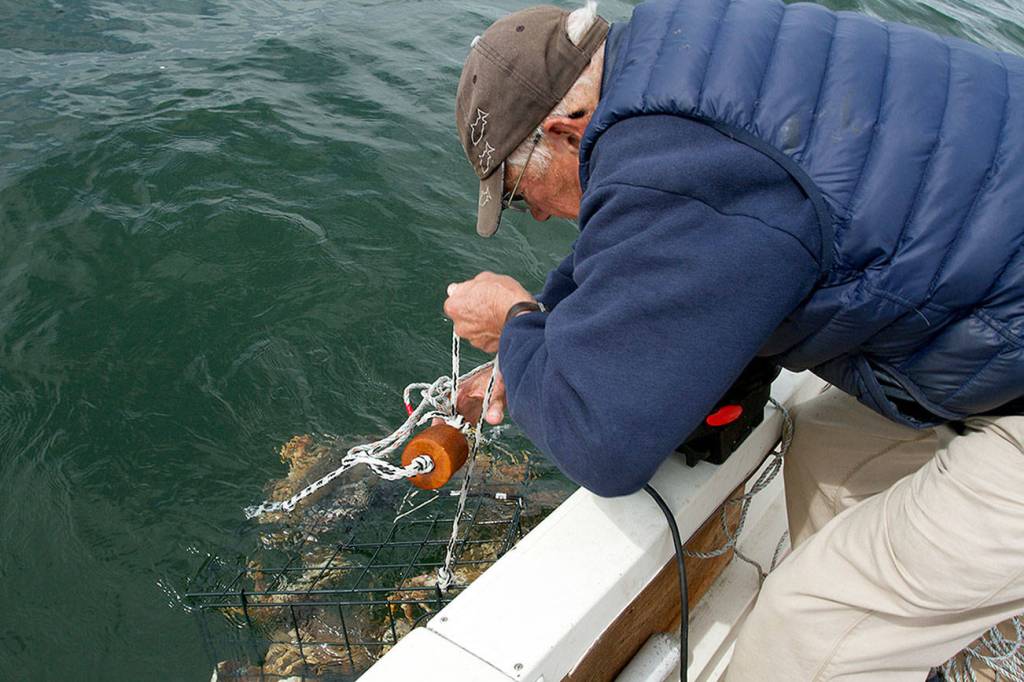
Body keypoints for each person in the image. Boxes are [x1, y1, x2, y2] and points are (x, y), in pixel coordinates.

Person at [442, 0, 1024, 679]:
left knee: (802, 631)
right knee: (827, 447)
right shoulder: (682, 66)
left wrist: (513, 320)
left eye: (519, 192)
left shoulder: (685, 169)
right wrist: (536, 340)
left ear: (563, 130)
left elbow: (603, 444)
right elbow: (638, 246)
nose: (537, 214)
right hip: (998, 324)